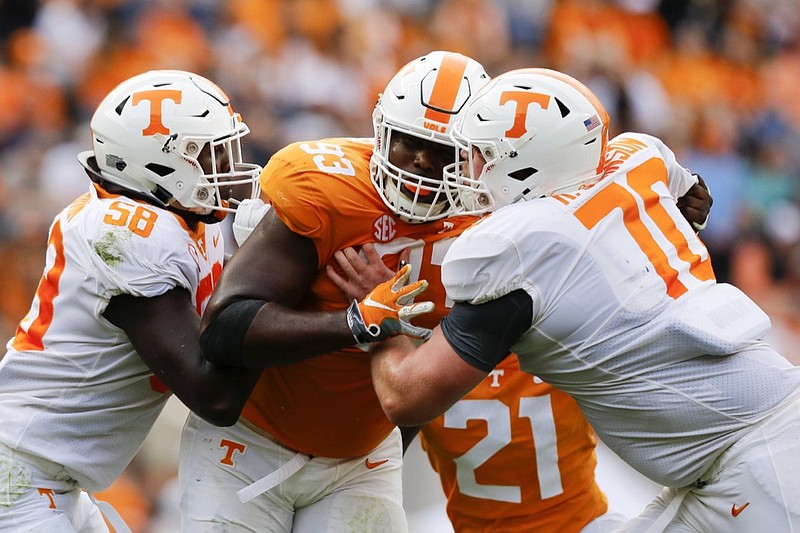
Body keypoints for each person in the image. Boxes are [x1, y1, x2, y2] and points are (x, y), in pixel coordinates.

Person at [186, 51, 712, 532]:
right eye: (409, 143)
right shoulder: (327, 189)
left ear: (480, 157)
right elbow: (224, 327)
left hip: (361, 462)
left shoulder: (502, 216)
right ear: (380, 130)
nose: (419, 162)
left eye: (440, 152)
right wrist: (357, 321)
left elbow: (593, 187)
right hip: (250, 443)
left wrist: (666, 202)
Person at [366, 67, 800, 532]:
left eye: (480, 155)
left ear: (526, 166)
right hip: (754, 440)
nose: (463, 170)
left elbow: (405, 397)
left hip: (755, 466)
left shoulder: (517, 248)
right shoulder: (639, 156)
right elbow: (688, 192)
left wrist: (375, 314)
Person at [0, 70, 263, 532]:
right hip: (17, 476)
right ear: (158, 163)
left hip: (53, 480)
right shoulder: (124, 234)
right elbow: (214, 395)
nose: (227, 167)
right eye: (208, 154)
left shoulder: (183, 221)